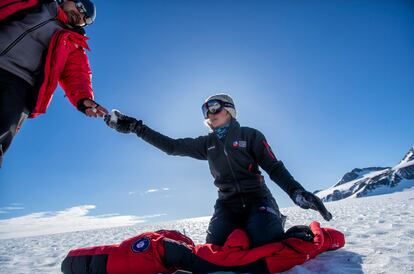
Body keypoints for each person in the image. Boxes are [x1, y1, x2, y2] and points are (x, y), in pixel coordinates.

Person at [105, 94, 331, 247]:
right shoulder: (207, 143)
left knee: (265, 241)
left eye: (214, 107)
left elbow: (274, 167)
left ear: (230, 110)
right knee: (216, 247)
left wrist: (297, 192)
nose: (209, 113)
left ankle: (273, 220)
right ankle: (248, 224)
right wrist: (137, 128)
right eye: (205, 110)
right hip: (227, 203)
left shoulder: (251, 136)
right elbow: (172, 147)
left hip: (257, 198)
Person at [0, 0, 108, 167]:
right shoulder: (35, 4)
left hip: (18, 83)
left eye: (86, 19)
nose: (80, 16)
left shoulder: (71, 42)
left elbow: (77, 73)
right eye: (80, 8)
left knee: (3, 125)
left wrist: (83, 98)